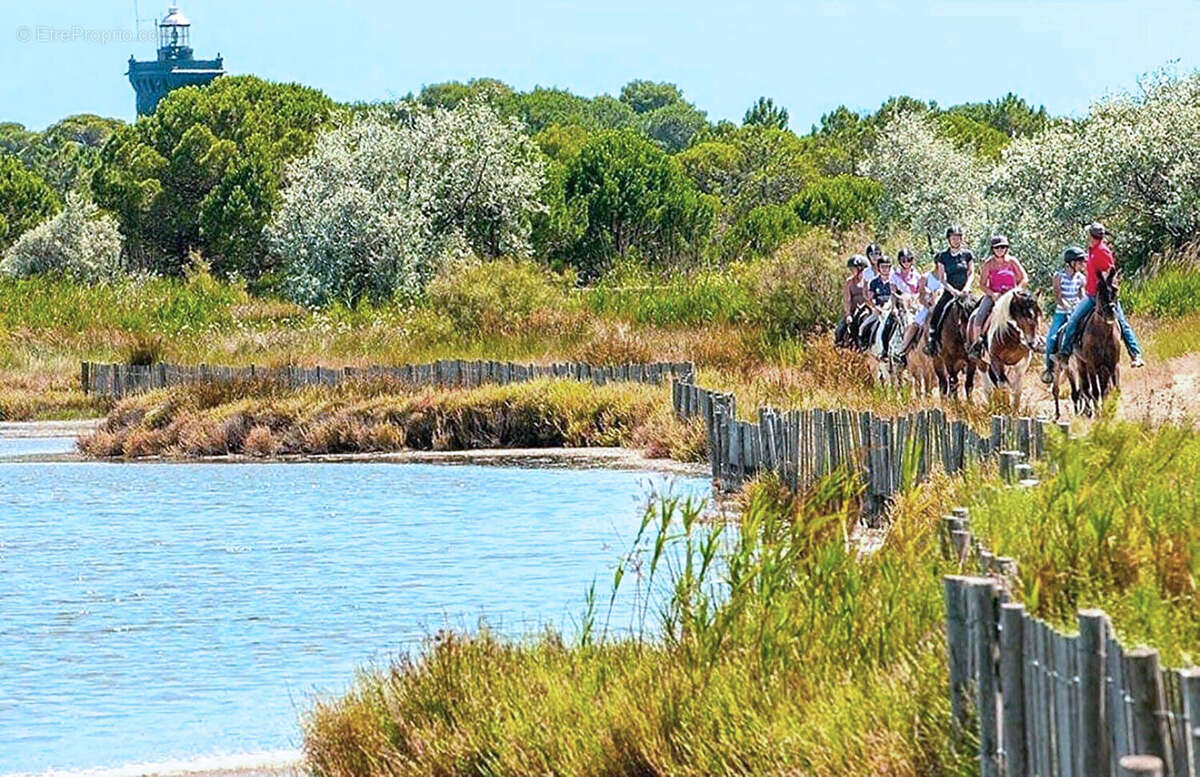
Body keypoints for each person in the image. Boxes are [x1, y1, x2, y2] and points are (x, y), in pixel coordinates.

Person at [1053, 222, 1145, 368]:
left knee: (1117, 322)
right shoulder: (1092, 250)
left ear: (1091, 236)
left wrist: (1106, 292)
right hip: (1091, 293)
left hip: (1099, 296)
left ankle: (1135, 354)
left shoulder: (1102, 251)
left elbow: (1109, 274)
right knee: (1075, 320)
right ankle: (1066, 354)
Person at [968, 235, 1028, 357]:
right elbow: (982, 284)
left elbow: (1024, 278)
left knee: (1028, 313)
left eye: (1003, 247)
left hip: (1012, 296)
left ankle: (1032, 340)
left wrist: (1017, 290)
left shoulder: (1012, 261)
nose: (1000, 250)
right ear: (992, 249)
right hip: (994, 295)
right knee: (979, 316)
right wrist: (992, 294)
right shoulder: (988, 264)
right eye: (997, 248)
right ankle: (977, 344)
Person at [923, 225, 976, 355]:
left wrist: (966, 288)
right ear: (949, 239)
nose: (956, 240)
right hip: (950, 291)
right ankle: (932, 340)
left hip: (965, 292)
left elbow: (971, 273)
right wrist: (953, 291)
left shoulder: (967, 255)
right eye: (953, 237)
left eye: (958, 237)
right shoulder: (943, 256)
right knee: (937, 312)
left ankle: (979, 342)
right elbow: (942, 278)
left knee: (977, 311)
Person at [1040, 247, 1087, 384]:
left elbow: (1082, 294)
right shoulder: (1058, 276)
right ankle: (1049, 369)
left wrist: (1080, 307)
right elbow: (1058, 296)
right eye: (1079, 262)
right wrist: (1067, 306)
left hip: (1076, 310)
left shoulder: (1081, 278)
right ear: (1071, 263)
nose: (1082, 265)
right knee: (1052, 338)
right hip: (1062, 312)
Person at [891, 248, 923, 354]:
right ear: (900, 261)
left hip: (915, 305)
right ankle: (888, 349)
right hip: (901, 306)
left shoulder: (917, 276)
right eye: (903, 260)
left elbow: (920, 291)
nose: (906, 262)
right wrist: (894, 307)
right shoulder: (895, 276)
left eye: (908, 260)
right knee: (888, 324)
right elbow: (893, 294)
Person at [836, 254, 870, 346]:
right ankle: (839, 344)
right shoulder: (849, 282)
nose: (851, 270)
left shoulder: (868, 280)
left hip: (867, 309)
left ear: (860, 268)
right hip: (854, 310)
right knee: (840, 329)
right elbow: (847, 299)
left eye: (853, 268)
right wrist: (848, 315)